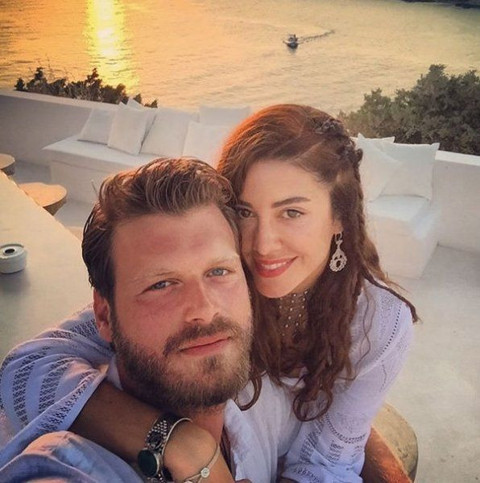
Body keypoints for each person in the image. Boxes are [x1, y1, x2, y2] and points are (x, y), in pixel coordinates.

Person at [0, 104, 415, 481]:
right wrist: (175, 441)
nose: (263, 244)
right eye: (245, 212)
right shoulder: (229, 278)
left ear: (339, 216)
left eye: (292, 212)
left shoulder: (375, 319)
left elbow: (328, 462)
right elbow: (28, 367)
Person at [0, 157, 299, 482]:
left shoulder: (262, 395)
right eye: (161, 284)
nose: (205, 308)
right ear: (104, 315)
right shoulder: (72, 464)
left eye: (219, 271)